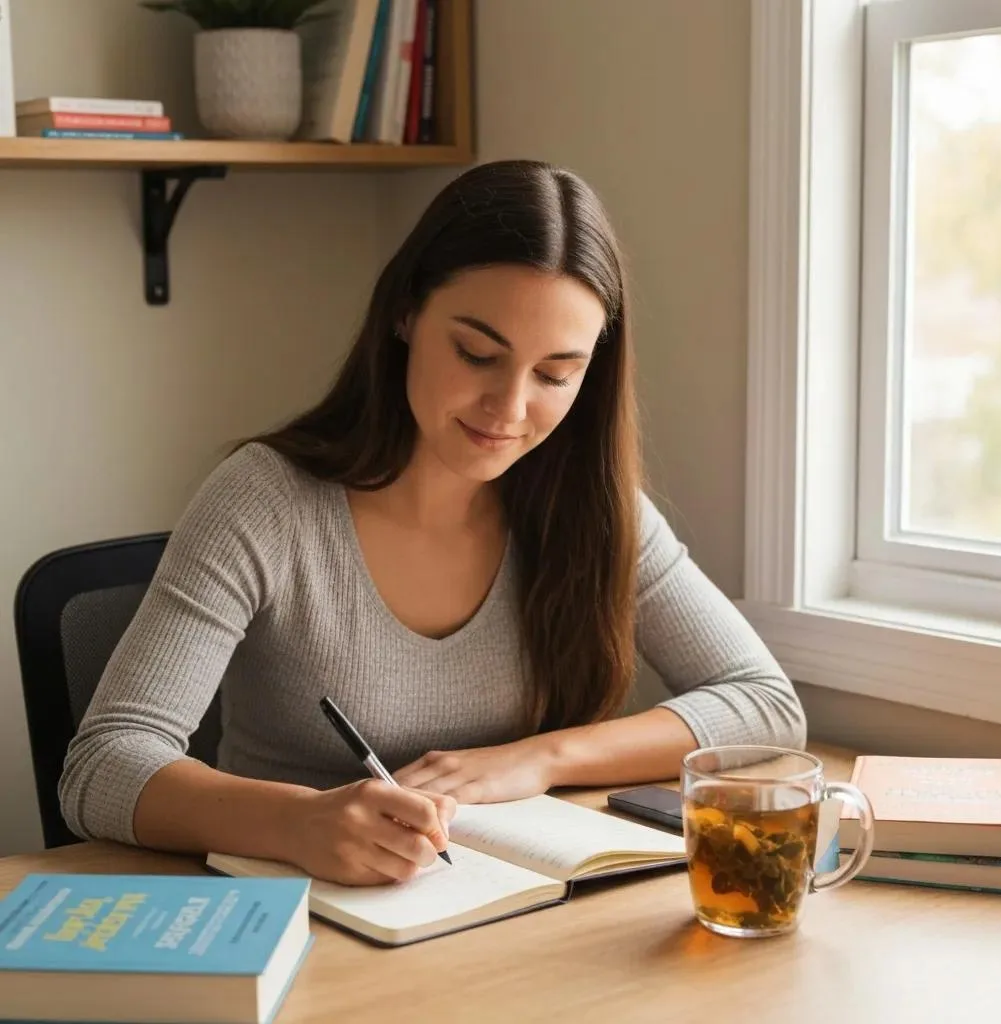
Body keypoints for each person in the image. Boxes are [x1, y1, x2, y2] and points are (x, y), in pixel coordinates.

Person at [58, 159, 806, 887]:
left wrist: (538, 758)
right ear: (406, 314)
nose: (509, 410)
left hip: (508, 917)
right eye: (478, 353)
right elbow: (104, 765)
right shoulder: (265, 502)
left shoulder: (591, 507)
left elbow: (764, 704)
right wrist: (301, 822)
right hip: (298, 921)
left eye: (555, 374)